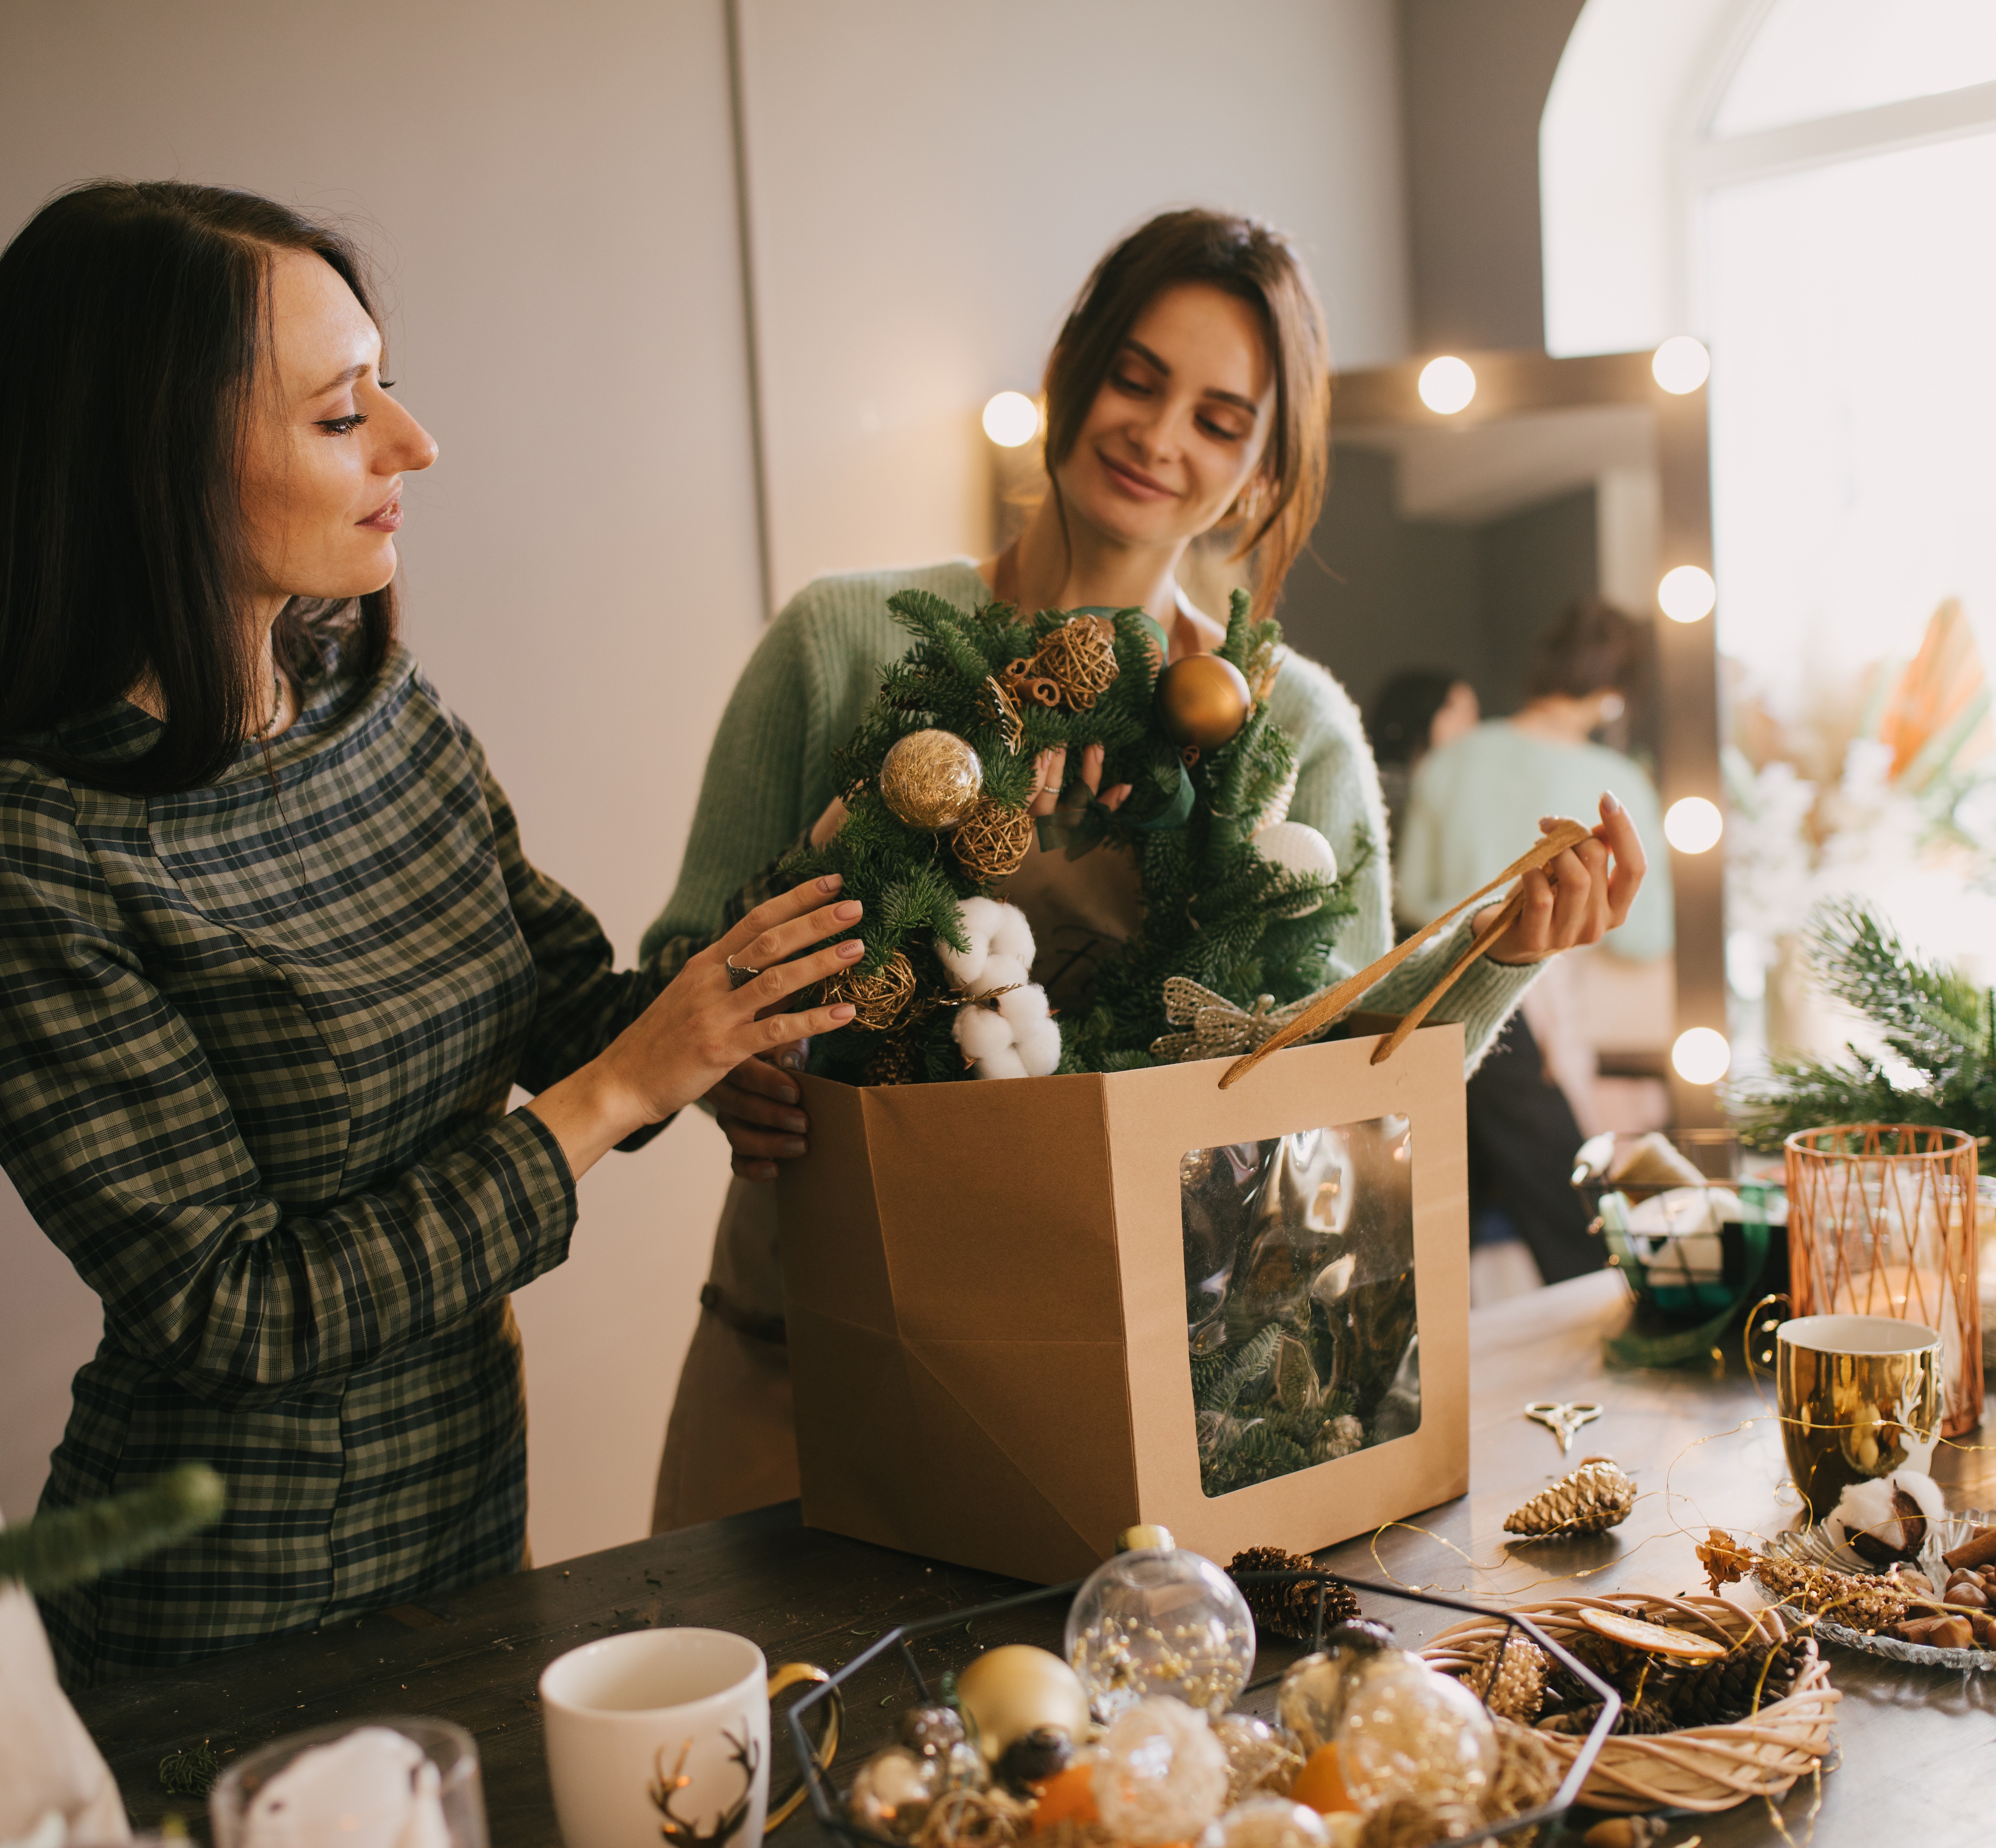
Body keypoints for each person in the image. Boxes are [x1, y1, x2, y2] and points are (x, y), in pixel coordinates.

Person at [0, 183, 863, 1685]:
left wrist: (748, 1007)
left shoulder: (365, 700)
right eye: (339, 417)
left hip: (462, 1515)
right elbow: (236, 1306)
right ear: (154, 472)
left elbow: (561, 992)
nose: (410, 442)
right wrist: (624, 1089)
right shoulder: (20, 849)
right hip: (223, 1604)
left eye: (387, 384)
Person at [644, 210, 1647, 1530]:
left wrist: (1504, 956)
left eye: (1220, 419)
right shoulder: (843, 641)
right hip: (810, 1356)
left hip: (1153, 1393)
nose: (1159, 436)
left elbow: (1342, 1086)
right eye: (1135, 376)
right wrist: (736, 1070)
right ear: (1069, 364)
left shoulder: (1296, 733)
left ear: (1262, 470)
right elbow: (680, 961)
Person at [1395, 599, 1673, 1284]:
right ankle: (1620, 1311)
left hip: (1434, 997)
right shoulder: (1620, 784)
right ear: (1615, 696)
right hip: (1529, 1009)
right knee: (1570, 1216)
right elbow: (1647, 938)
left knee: (1435, 1213)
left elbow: (1410, 897)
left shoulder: (1452, 762)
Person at [1366, 667, 1481, 924]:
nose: (1472, 727)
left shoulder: (1457, 798)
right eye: (1458, 712)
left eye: (1475, 716)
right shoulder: (1382, 789)